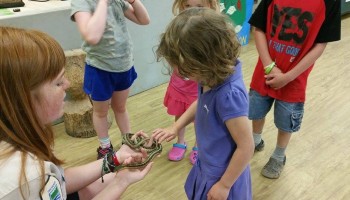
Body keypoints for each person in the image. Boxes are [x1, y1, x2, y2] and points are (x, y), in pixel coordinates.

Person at [0, 26, 152, 200]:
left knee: (109, 178)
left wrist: (116, 158)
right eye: (58, 82)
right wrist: (121, 182)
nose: (68, 84)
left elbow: (60, 178)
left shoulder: (18, 143)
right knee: (113, 182)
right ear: (23, 99)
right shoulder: (24, 179)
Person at [153, 8, 254, 200]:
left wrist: (224, 185)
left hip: (223, 175)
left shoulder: (229, 96)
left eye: (185, 69)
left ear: (206, 61)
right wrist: (176, 126)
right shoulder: (210, 76)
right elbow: (201, 103)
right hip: (207, 163)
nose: (181, 73)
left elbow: (246, 146)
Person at [248, 0, 341, 179]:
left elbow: (320, 45)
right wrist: (269, 67)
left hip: (294, 79)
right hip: (264, 73)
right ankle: (255, 140)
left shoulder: (330, 2)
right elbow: (258, 28)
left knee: (286, 120)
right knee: (256, 110)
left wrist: (288, 77)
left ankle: (279, 156)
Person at [70, 0, 150, 159]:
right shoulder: (81, 3)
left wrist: (133, 1)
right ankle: (105, 147)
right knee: (101, 112)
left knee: (120, 107)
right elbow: (92, 36)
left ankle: (128, 141)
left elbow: (144, 20)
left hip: (123, 65)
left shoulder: (118, 2)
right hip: (100, 68)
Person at [164, 0, 219, 164]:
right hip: (180, 81)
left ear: (210, 6)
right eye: (188, 6)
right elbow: (169, 50)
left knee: (200, 116)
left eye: (200, 6)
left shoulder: (213, 30)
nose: (193, 10)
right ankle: (180, 142)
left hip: (201, 83)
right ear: (181, 5)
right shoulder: (178, 25)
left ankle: (198, 146)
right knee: (179, 111)